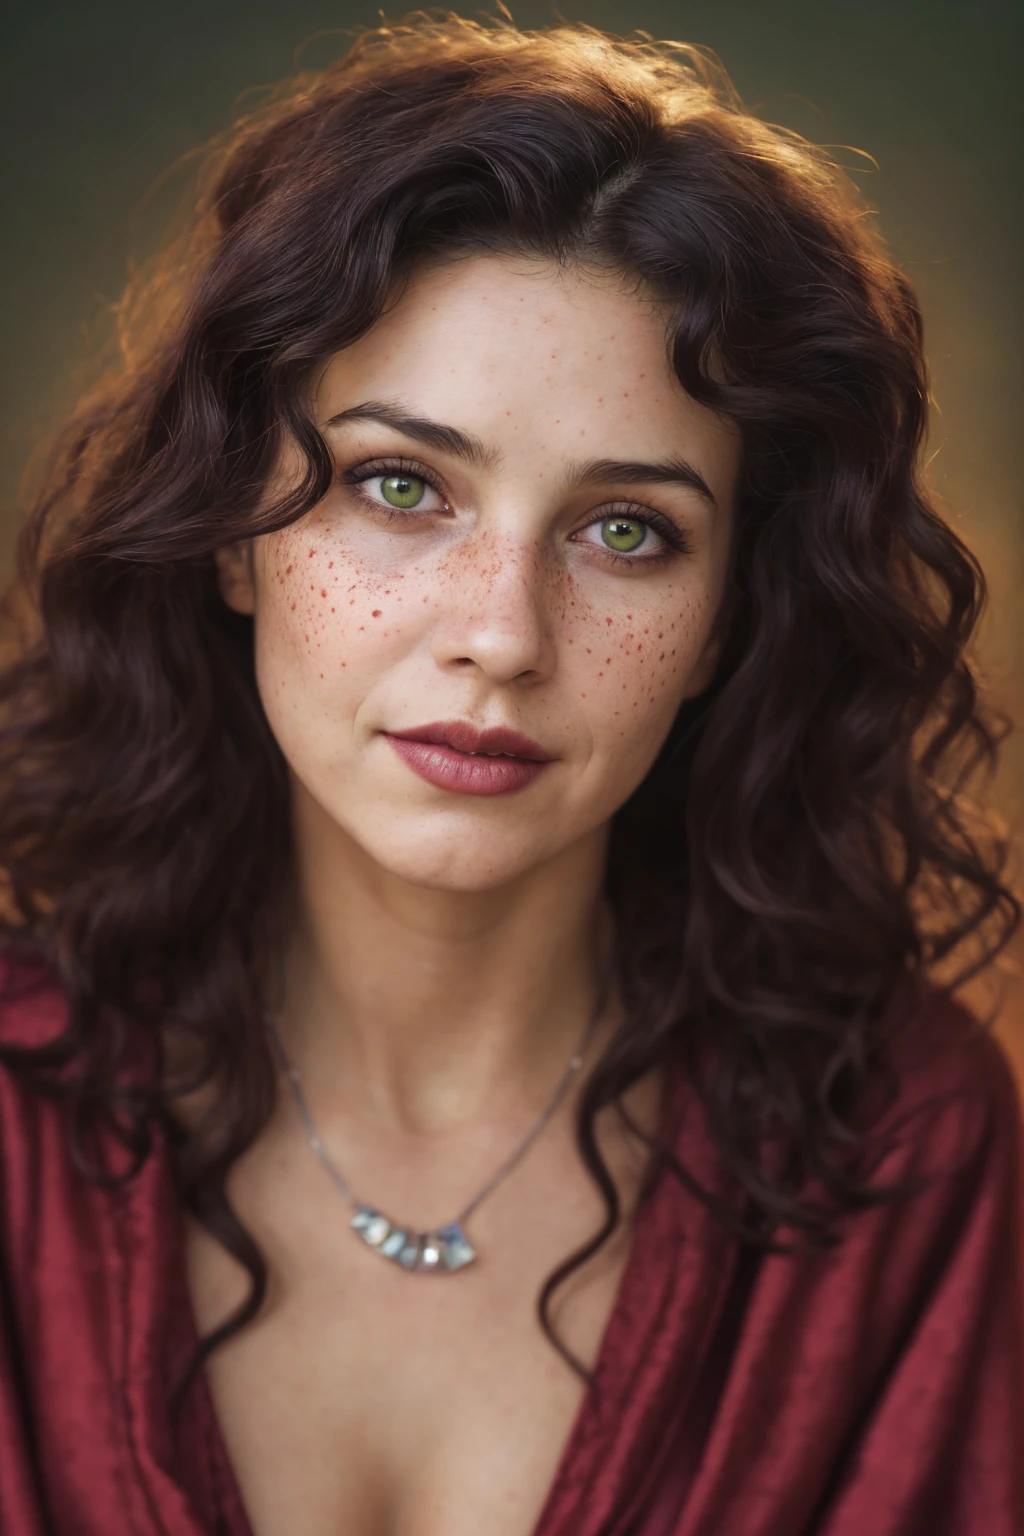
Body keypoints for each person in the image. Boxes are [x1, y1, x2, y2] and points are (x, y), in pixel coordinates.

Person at [0, 15, 1021, 1536]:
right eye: (402, 486)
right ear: (231, 533)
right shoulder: (10, 1121)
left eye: (628, 530)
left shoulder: (897, 1150)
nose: (501, 635)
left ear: (726, 619)